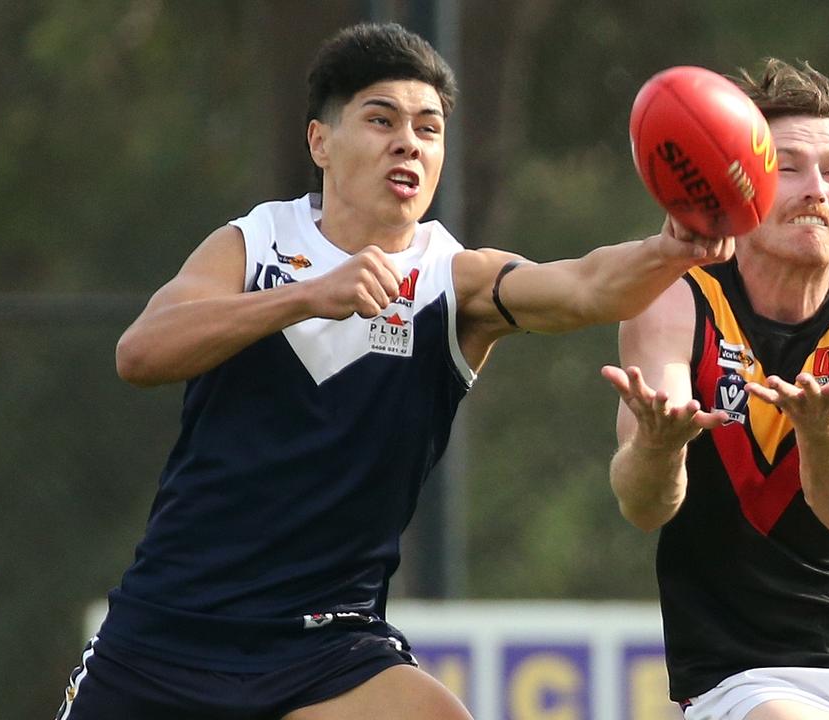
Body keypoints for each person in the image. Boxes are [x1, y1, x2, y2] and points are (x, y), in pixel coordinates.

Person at [54, 22, 731, 720]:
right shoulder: (252, 245)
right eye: (381, 119)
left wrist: (672, 248)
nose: (409, 141)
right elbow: (139, 354)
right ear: (320, 141)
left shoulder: (454, 281)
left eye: (429, 128)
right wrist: (308, 296)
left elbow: (585, 286)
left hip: (326, 648)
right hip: (167, 635)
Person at [601, 58, 829, 720]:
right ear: (737, 185)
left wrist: (821, 434)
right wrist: (658, 445)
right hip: (746, 668)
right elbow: (645, 506)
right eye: (789, 167)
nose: (817, 188)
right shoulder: (676, 304)